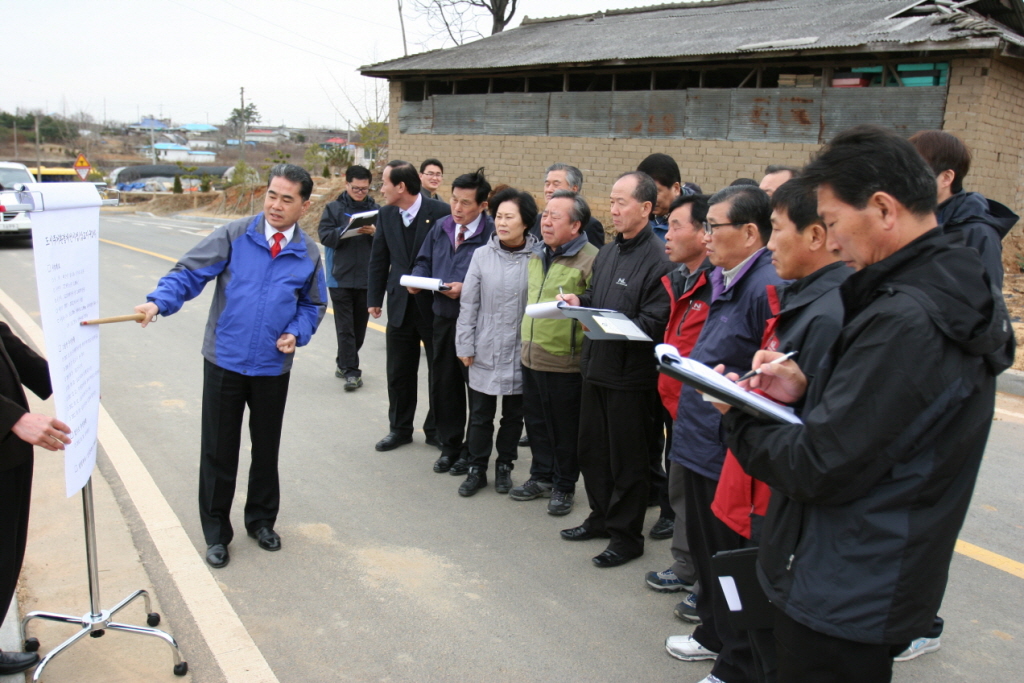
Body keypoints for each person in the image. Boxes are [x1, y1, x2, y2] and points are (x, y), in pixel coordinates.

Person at [719, 125, 1014, 683]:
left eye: (831, 223)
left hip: (847, 586)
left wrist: (738, 413)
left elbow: (820, 464)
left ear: (882, 208)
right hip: (856, 573)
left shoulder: (910, 318)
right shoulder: (929, 289)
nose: (830, 242)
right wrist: (810, 389)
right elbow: (887, 422)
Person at [135, 164, 327, 569]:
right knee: (219, 450)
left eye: (286, 199)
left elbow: (313, 304)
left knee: (265, 448)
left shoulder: (308, 253)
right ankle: (216, 533)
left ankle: (260, 520)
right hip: (226, 360)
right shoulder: (235, 235)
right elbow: (188, 273)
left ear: (304, 205)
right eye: (272, 195)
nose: (275, 205)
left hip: (273, 366)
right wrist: (157, 302)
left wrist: (297, 332)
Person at [662, 184, 783, 683]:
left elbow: (766, 373)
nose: (706, 236)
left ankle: (737, 660)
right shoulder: (723, 277)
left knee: (729, 558)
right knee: (707, 552)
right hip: (695, 434)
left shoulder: (766, 286)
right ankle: (712, 633)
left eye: (715, 226)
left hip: (725, 445)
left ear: (751, 232)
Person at [557, 171, 673, 568]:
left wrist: (606, 320)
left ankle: (627, 537)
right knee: (593, 452)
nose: (614, 208)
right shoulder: (608, 251)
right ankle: (601, 517)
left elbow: (654, 324)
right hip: (596, 369)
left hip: (631, 378)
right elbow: (597, 296)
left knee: (628, 461)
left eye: (622, 202)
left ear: (646, 207)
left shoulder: (659, 260)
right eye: (612, 200)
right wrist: (579, 300)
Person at [644, 193, 713, 621]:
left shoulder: (721, 282)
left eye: (675, 227)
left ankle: (709, 585)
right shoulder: (681, 278)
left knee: (707, 502)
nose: (667, 235)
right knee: (681, 489)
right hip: (677, 403)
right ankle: (686, 566)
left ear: (706, 234)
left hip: (707, 410)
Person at [511, 190, 600, 515]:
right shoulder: (537, 253)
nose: (545, 221)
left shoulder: (591, 258)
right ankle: (541, 476)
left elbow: (595, 310)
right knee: (535, 421)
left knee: (564, 429)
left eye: (554, 217)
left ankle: (564, 485)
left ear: (575, 226)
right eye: (545, 215)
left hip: (565, 360)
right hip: (531, 354)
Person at [410, 168, 495, 476]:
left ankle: (474, 453)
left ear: (483, 206)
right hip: (444, 320)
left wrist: (466, 289)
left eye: (466, 203)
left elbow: (501, 282)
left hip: (477, 325)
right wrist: (418, 276)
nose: (458, 208)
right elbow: (423, 260)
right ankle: (450, 447)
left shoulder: (492, 236)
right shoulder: (442, 227)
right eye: (454, 200)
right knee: (444, 386)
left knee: (477, 392)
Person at [455, 188, 538, 496]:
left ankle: (505, 466)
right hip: (485, 346)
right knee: (480, 415)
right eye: (498, 217)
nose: (501, 223)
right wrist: (465, 345)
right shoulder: (482, 255)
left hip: (521, 348)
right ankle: (477, 468)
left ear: (526, 222)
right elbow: (469, 305)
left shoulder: (538, 257)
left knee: (513, 417)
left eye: (509, 217)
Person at [0, 322, 71, 675]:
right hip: (9, 429)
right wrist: (12, 417)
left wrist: (62, 379)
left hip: (9, 447)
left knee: (7, 551)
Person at [367, 160, 450, 452]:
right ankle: (399, 428)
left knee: (439, 369)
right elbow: (380, 257)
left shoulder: (440, 212)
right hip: (400, 305)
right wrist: (374, 299)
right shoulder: (387, 213)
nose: (381, 189)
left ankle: (436, 428)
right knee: (399, 371)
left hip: (433, 305)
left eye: (384, 183)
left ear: (400, 186)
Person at [909, 130, 1018, 290]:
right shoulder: (906, 220)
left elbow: (986, 302)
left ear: (946, 178)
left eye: (915, 172)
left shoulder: (978, 234)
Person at [317, 165, 379, 390]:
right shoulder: (334, 209)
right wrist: (345, 231)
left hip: (366, 278)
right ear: (346, 184)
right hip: (340, 277)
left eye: (364, 189)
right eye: (356, 188)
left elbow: (387, 242)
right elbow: (324, 236)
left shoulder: (377, 211)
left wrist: (375, 233)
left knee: (359, 329)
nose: (360, 192)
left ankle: (343, 362)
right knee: (345, 328)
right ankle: (353, 372)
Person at [528, 163, 605, 248]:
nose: (549, 189)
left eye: (556, 184)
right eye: (547, 184)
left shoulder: (589, 225)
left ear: (574, 189)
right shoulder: (535, 221)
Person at [637, 153, 682, 242]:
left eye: (656, 192)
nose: (649, 199)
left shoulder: (696, 223)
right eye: (644, 191)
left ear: (676, 188)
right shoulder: (639, 217)